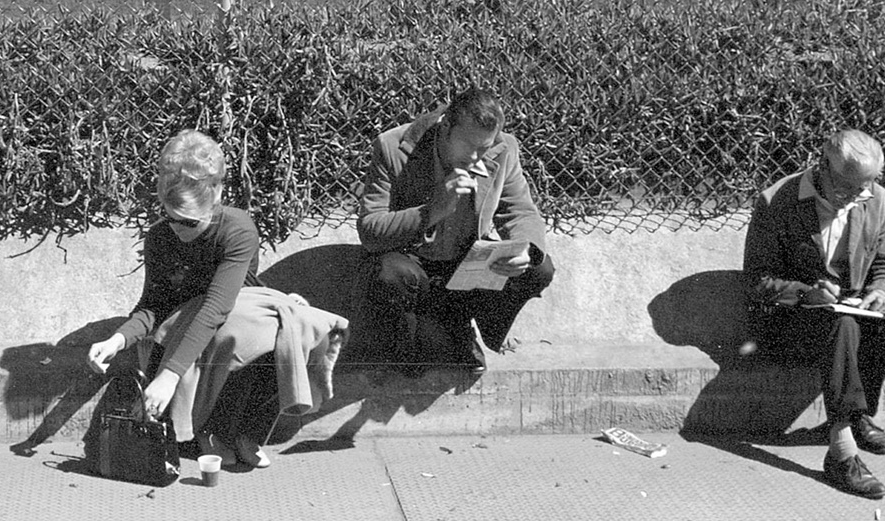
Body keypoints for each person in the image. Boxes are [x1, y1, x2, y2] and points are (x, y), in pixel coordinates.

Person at [85, 131, 346, 469]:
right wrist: (117, 339)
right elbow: (153, 305)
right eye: (171, 217)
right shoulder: (161, 238)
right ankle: (211, 432)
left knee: (281, 326)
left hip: (228, 319)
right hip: (183, 329)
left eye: (190, 221)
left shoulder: (237, 229)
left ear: (218, 195)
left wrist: (169, 376)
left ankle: (244, 433)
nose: (179, 229)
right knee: (239, 329)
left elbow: (218, 306)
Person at [743, 129, 885, 500]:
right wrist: (806, 294)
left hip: (847, 312)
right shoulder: (777, 201)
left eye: (867, 185)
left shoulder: (878, 201)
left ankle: (859, 412)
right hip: (790, 319)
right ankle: (841, 449)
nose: (859, 196)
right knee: (841, 324)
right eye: (849, 188)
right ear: (823, 169)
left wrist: (882, 291)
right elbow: (757, 279)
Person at [357, 86, 555, 373]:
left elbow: (520, 210)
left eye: (484, 148)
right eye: (469, 145)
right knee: (394, 280)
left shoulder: (504, 148)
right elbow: (370, 229)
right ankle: (415, 341)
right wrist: (432, 211)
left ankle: (470, 327)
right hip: (413, 268)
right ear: (445, 126)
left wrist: (525, 247)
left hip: (466, 267)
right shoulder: (392, 147)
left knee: (538, 267)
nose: (477, 158)